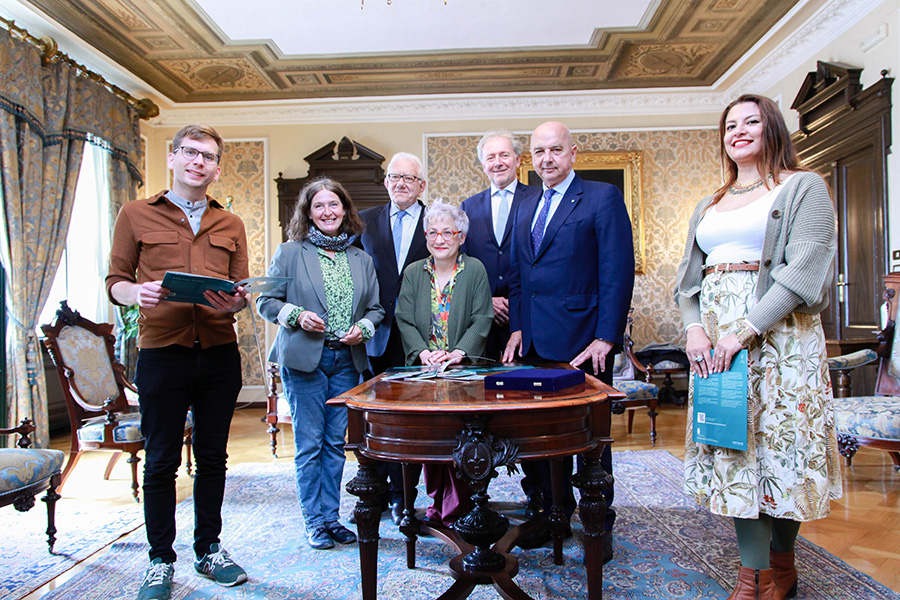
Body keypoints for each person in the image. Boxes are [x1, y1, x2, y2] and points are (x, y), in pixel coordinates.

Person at [675, 94, 842, 600]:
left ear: (773, 129)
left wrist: (743, 330)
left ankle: (782, 569)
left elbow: (801, 275)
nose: (739, 130)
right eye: (730, 125)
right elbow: (688, 279)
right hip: (717, 342)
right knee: (734, 450)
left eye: (751, 121)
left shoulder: (803, 186)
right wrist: (694, 329)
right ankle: (754, 578)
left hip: (781, 339)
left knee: (784, 448)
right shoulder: (711, 201)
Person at [106, 124, 250, 600]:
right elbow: (115, 281)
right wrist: (135, 292)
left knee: (213, 458)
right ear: (172, 158)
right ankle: (159, 559)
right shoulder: (135, 213)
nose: (197, 162)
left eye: (207, 156)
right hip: (161, 352)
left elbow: (240, 289)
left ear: (216, 168)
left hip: (217, 353)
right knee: (161, 460)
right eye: (189, 153)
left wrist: (237, 304)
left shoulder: (230, 224)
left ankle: (209, 548)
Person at [502, 121, 634, 557]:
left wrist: (606, 337)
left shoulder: (601, 197)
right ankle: (550, 515)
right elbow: (522, 277)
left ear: (573, 152)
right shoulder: (526, 206)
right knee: (539, 438)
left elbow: (617, 272)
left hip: (584, 344)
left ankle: (599, 525)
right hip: (535, 343)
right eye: (539, 152)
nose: (547, 159)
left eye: (555, 150)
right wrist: (519, 326)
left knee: (590, 442)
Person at [257, 177, 383, 550]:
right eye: (319, 206)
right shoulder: (291, 252)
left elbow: (376, 309)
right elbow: (267, 302)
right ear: (308, 213)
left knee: (333, 444)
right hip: (304, 361)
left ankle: (332, 517)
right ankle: (314, 522)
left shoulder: (361, 258)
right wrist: (295, 315)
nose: (327, 212)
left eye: (334, 205)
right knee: (309, 445)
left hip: (347, 362)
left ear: (345, 210)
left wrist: (364, 327)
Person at [395, 199, 493, 525]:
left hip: (463, 372)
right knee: (431, 440)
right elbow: (404, 320)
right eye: (432, 233)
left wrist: (458, 353)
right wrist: (423, 353)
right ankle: (437, 504)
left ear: (461, 237)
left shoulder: (475, 269)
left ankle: (465, 507)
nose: (439, 239)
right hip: (423, 373)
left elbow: (482, 319)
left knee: (464, 440)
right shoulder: (413, 273)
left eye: (447, 232)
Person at [355, 152, 430, 524]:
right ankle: (378, 492)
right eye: (394, 177)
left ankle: (406, 498)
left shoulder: (436, 222)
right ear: (386, 182)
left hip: (421, 337)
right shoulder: (364, 221)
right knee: (377, 420)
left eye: (408, 178)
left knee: (414, 423)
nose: (400, 183)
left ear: (422, 185)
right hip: (376, 336)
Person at [460, 130, 537, 359]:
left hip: (528, 319)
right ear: (483, 165)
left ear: (518, 160)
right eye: (490, 157)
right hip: (483, 322)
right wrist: (485, 301)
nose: (497, 163)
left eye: (504, 155)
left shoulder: (538, 199)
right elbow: (463, 262)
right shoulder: (468, 207)